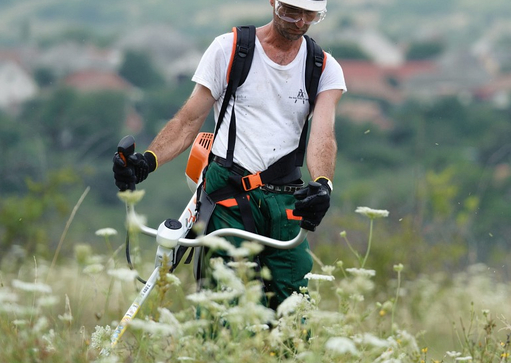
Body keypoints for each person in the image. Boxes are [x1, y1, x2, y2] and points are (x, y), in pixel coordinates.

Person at [112, 0, 346, 310]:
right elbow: (187, 121)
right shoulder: (231, 49)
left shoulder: (323, 67)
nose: (300, 22)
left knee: (295, 311)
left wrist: (322, 184)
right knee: (223, 307)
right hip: (228, 195)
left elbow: (323, 134)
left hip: (285, 201)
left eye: (310, 15)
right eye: (291, 11)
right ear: (274, 3)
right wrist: (147, 160)